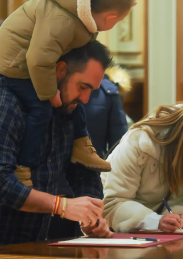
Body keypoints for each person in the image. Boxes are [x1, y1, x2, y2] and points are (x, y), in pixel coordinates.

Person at [0, 41, 114, 248]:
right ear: (60, 71)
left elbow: (82, 171)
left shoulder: (68, 110)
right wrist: (61, 205)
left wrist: (91, 215)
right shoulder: (0, 104)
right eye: (83, 87)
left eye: (93, 90)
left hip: (30, 243)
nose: (86, 99)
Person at [0, 0, 136, 173]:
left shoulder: (78, 17)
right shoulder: (62, 20)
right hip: (15, 66)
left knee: (77, 102)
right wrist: (50, 93)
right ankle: (23, 166)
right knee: (42, 111)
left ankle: (81, 146)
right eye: (118, 21)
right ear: (110, 18)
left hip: (32, 64)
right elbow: (38, 59)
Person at [102, 99, 183, 233]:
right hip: (112, 233)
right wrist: (154, 221)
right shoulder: (140, 141)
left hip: (165, 237)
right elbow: (113, 203)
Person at [48, 67, 130, 240]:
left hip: (64, 189)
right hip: (80, 188)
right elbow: (119, 144)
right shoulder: (109, 93)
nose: (84, 99)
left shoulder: (51, 94)